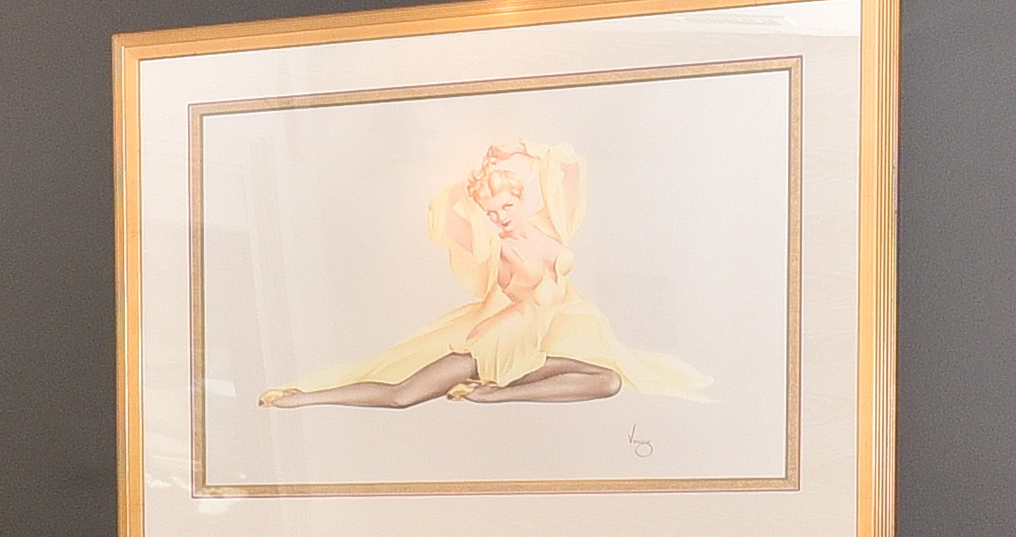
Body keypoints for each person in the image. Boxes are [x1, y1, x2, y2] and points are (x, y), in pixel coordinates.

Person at [263, 135, 705, 410]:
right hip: (492, 347)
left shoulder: (553, 227)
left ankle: (494, 394)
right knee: (403, 396)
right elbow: (449, 220)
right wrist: (464, 192)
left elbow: (568, 166)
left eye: (507, 207)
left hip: (529, 354)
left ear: (524, 199)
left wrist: (519, 149)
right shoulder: (499, 250)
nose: (502, 217)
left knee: (609, 381)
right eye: (491, 213)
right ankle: (305, 399)